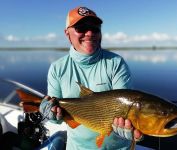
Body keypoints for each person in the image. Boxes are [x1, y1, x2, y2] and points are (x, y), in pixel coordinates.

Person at [39, 6, 143, 150]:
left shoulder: (116, 63)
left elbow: (124, 108)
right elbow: (57, 119)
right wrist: (50, 114)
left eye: (95, 28)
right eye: (81, 27)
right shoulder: (57, 68)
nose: (89, 33)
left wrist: (131, 128)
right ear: (67, 33)